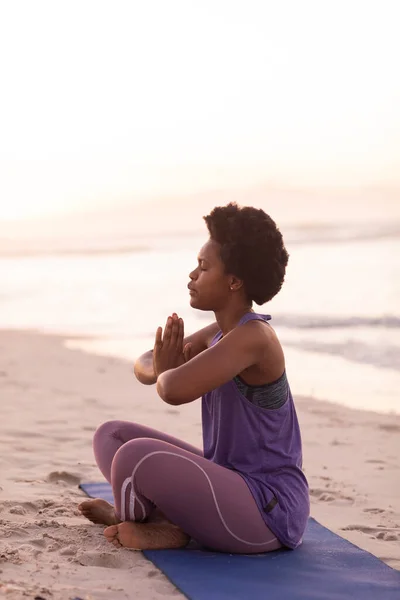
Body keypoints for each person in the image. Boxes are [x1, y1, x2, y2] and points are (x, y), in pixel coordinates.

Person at [78, 202, 310, 553]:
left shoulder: (253, 338)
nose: (192, 275)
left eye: (203, 267)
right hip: (229, 486)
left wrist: (167, 369)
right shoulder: (219, 332)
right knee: (111, 435)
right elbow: (144, 366)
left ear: (234, 281)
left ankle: (156, 525)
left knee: (134, 456)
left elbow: (171, 390)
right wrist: (163, 365)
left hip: (268, 511)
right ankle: (162, 522)